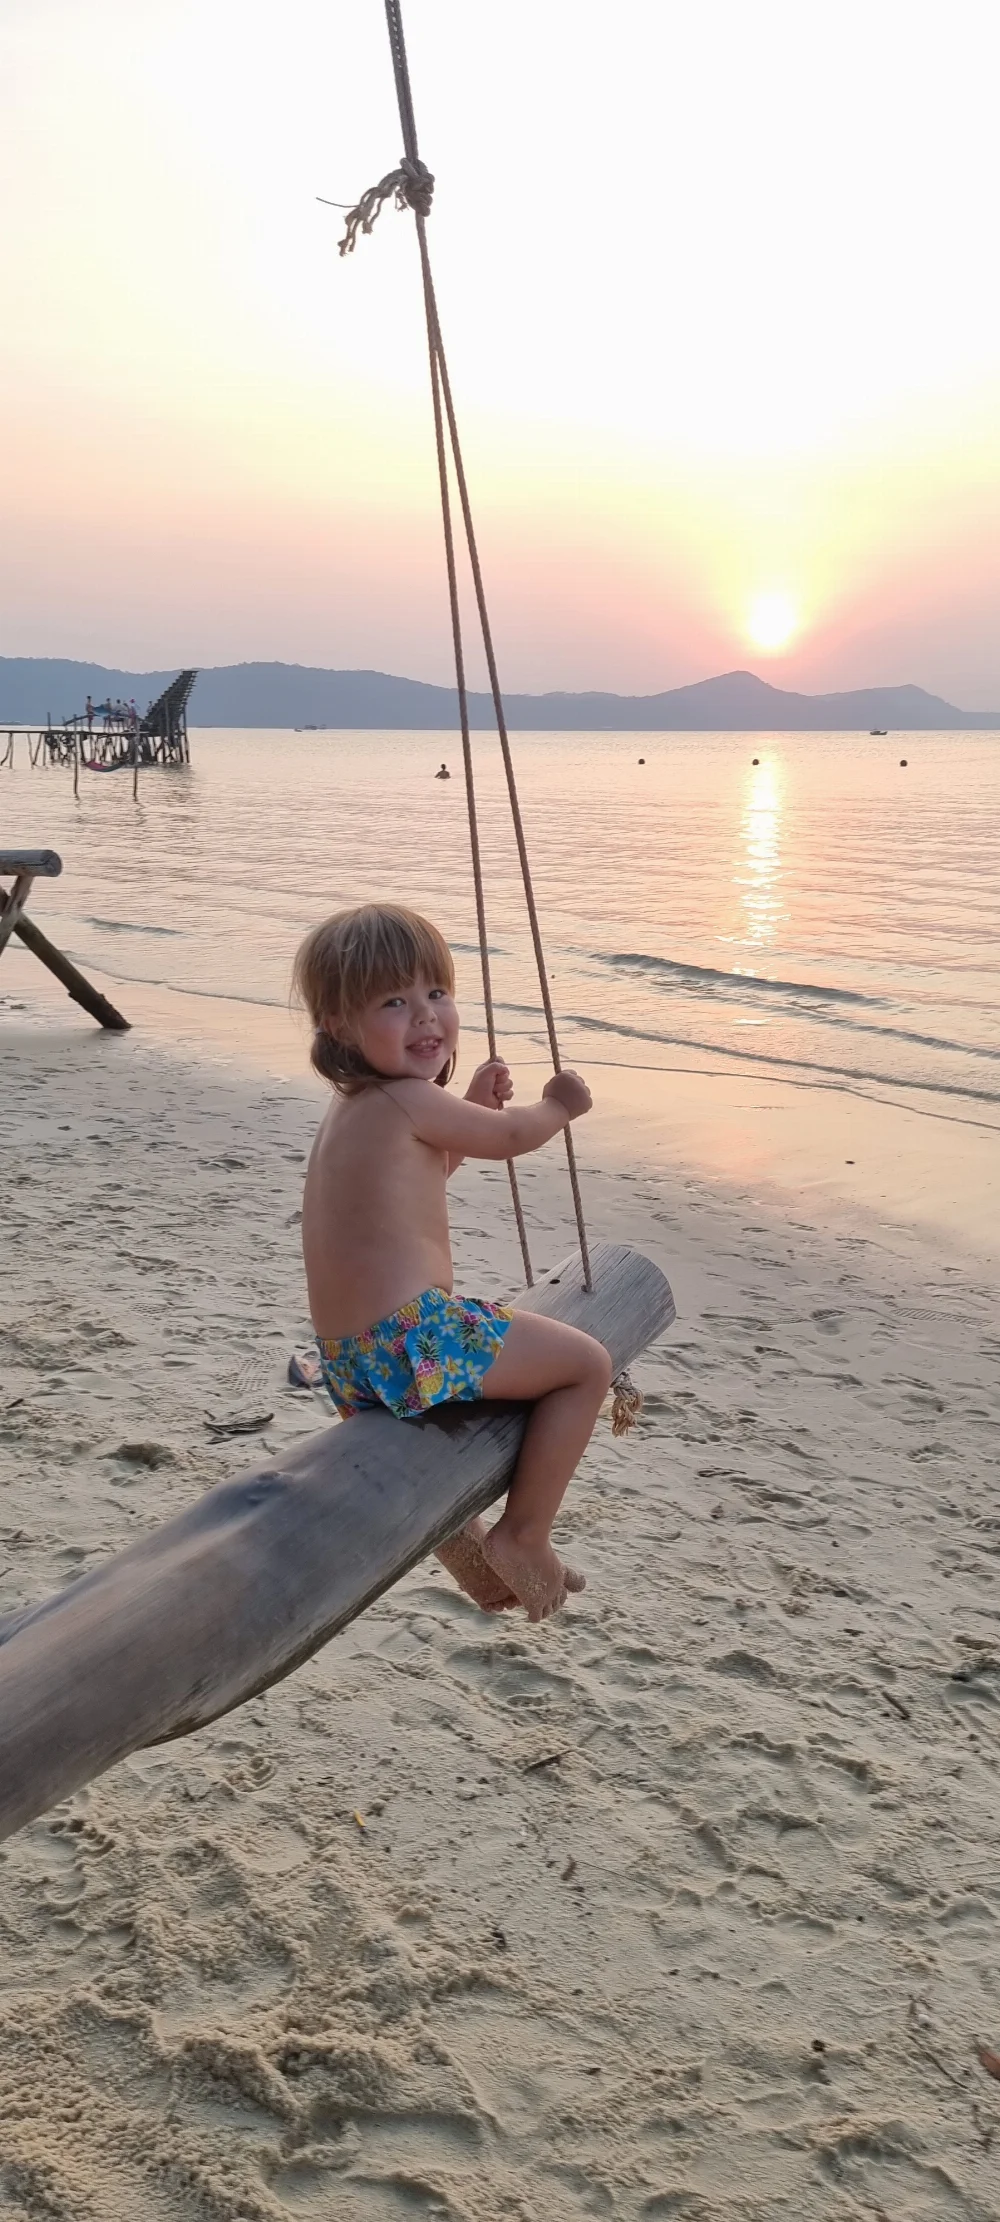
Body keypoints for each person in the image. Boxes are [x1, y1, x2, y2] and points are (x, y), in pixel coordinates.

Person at [293, 902, 610, 1622]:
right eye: (393, 1003)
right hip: (414, 1337)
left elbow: (427, 1173)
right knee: (586, 1366)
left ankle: (467, 1549)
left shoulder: (357, 1107)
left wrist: (467, 1103)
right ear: (339, 1026)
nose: (425, 1016)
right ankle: (524, 1535)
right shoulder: (408, 1100)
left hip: (348, 1361)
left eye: (435, 992)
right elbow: (511, 1137)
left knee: (501, 1377)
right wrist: (558, 1105)